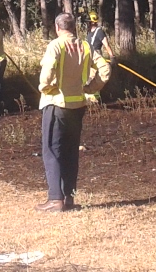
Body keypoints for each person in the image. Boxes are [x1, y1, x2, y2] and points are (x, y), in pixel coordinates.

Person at [36, 12, 110, 212]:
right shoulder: (85, 46)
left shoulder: (56, 45)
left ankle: (55, 199)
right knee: (70, 152)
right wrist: (90, 88)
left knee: (51, 150)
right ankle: (69, 197)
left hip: (56, 105)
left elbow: (47, 72)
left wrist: (45, 87)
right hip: (78, 106)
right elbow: (105, 70)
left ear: (57, 27)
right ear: (74, 27)